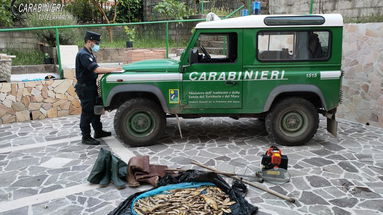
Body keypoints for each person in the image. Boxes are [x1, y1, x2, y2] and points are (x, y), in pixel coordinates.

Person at [75, 31, 121, 145]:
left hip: (91, 86)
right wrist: (113, 70)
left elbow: (97, 68)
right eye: (96, 43)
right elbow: (95, 69)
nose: (97, 45)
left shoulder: (89, 53)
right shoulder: (83, 55)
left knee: (96, 111)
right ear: (89, 41)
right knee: (87, 112)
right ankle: (85, 137)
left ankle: (98, 131)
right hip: (85, 88)